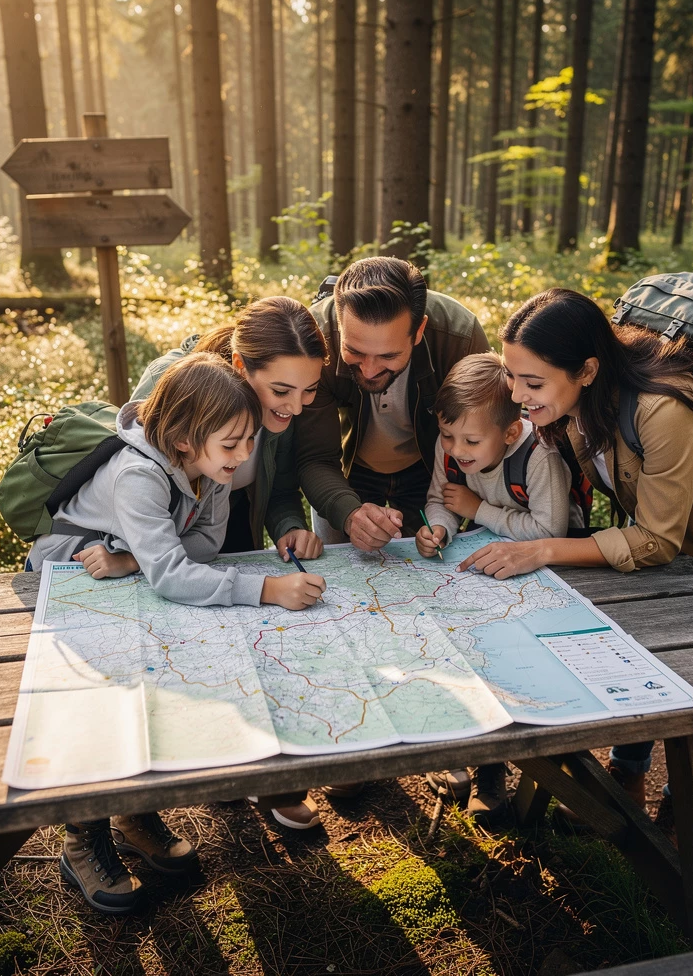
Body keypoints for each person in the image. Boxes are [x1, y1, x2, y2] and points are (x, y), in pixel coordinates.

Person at [458, 287, 693, 815]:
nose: (517, 394)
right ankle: (625, 779)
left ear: (587, 370)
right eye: (512, 376)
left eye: (532, 382)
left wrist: (542, 549)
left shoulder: (662, 408)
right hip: (661, 518)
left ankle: (684, 812)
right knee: (639, 642)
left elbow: (657, 541)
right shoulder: (573, 397)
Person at [29, 353, 326, 914]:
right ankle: (82, 837)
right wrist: (265, 589)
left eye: (247, 443)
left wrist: (135, 560)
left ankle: (134, 809)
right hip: (70, 575)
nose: (242, 459)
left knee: (154, 684)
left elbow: (203, 550)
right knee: (103, 697)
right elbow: (175, 571)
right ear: (187, 438)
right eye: (232, 445)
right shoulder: (139, 476)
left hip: (120, 576)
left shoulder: (208, 467)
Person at [294, 255, 491, 801]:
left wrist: (449, 512)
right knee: (336, 605)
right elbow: (312, 455)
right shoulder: (313, 334)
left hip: (428, 474)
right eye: (354, 353)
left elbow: (483, 432)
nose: (369, 369)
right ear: (336, 322)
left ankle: (441, 732)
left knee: (434, 604)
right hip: (344, 469)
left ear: (421, 331)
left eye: (389, 356)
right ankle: (353, 746)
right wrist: (347, 511)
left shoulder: (458, 335)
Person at [415, 351, 584, 820]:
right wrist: (441, 528)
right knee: (464, 653)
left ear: (510, 432)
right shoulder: (451, 448)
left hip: (549, 574)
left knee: (521, 667)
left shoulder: (538, 456)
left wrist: (475, 509)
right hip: (483, 568)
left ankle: (522, 772)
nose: (455, 448)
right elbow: (439, 498)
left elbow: (551, 531)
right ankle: (472, 763)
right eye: (447, 435)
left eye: (470, 439)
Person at [132, 296, 329, 561]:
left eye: (310, 390)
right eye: (280, 390)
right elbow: (132, 470)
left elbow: (280, 489)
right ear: (240, 365)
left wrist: (290, 527)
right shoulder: (170, 382)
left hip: (227, 523)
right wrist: (137, 558)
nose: (296, 409)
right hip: (154, 529)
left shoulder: (284, 407)